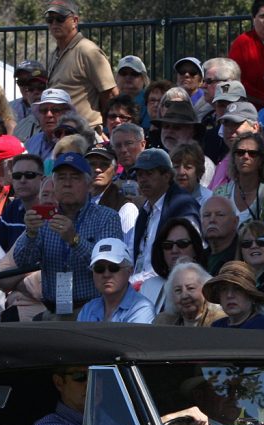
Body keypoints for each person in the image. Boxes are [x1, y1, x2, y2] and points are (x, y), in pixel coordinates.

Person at [27, 366, 209, 425]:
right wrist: (168, 420)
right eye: (80, 376)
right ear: (59, 383)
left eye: (97, 376)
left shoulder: (107, 420)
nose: (91, 384)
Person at [44, 0, 116, 128]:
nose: (54, 23)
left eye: (60, 18)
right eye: (50, 19)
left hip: (85, 132)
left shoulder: (88, 51)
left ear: (75, 21)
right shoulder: (54, 54)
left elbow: (110, 94)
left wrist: (105, 128)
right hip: (62, 132)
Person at [131, 148, 200, 276]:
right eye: (140, 174)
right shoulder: (145, 210)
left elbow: (192, 254)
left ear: (167, 176)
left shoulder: (183, 205)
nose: (143, 179)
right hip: (141, 284)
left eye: (149, 173)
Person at [78, 238, 154, 323]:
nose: (106, 275)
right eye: (99, 269)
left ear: (130, 270)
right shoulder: (88, 309)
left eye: (114, 268)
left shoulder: (142, 309)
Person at [153, 262, 224, 327]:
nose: (184, 296)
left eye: (190, 288)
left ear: (205, 290)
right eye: (178, 290)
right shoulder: (162, 322)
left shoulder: (220, 322)